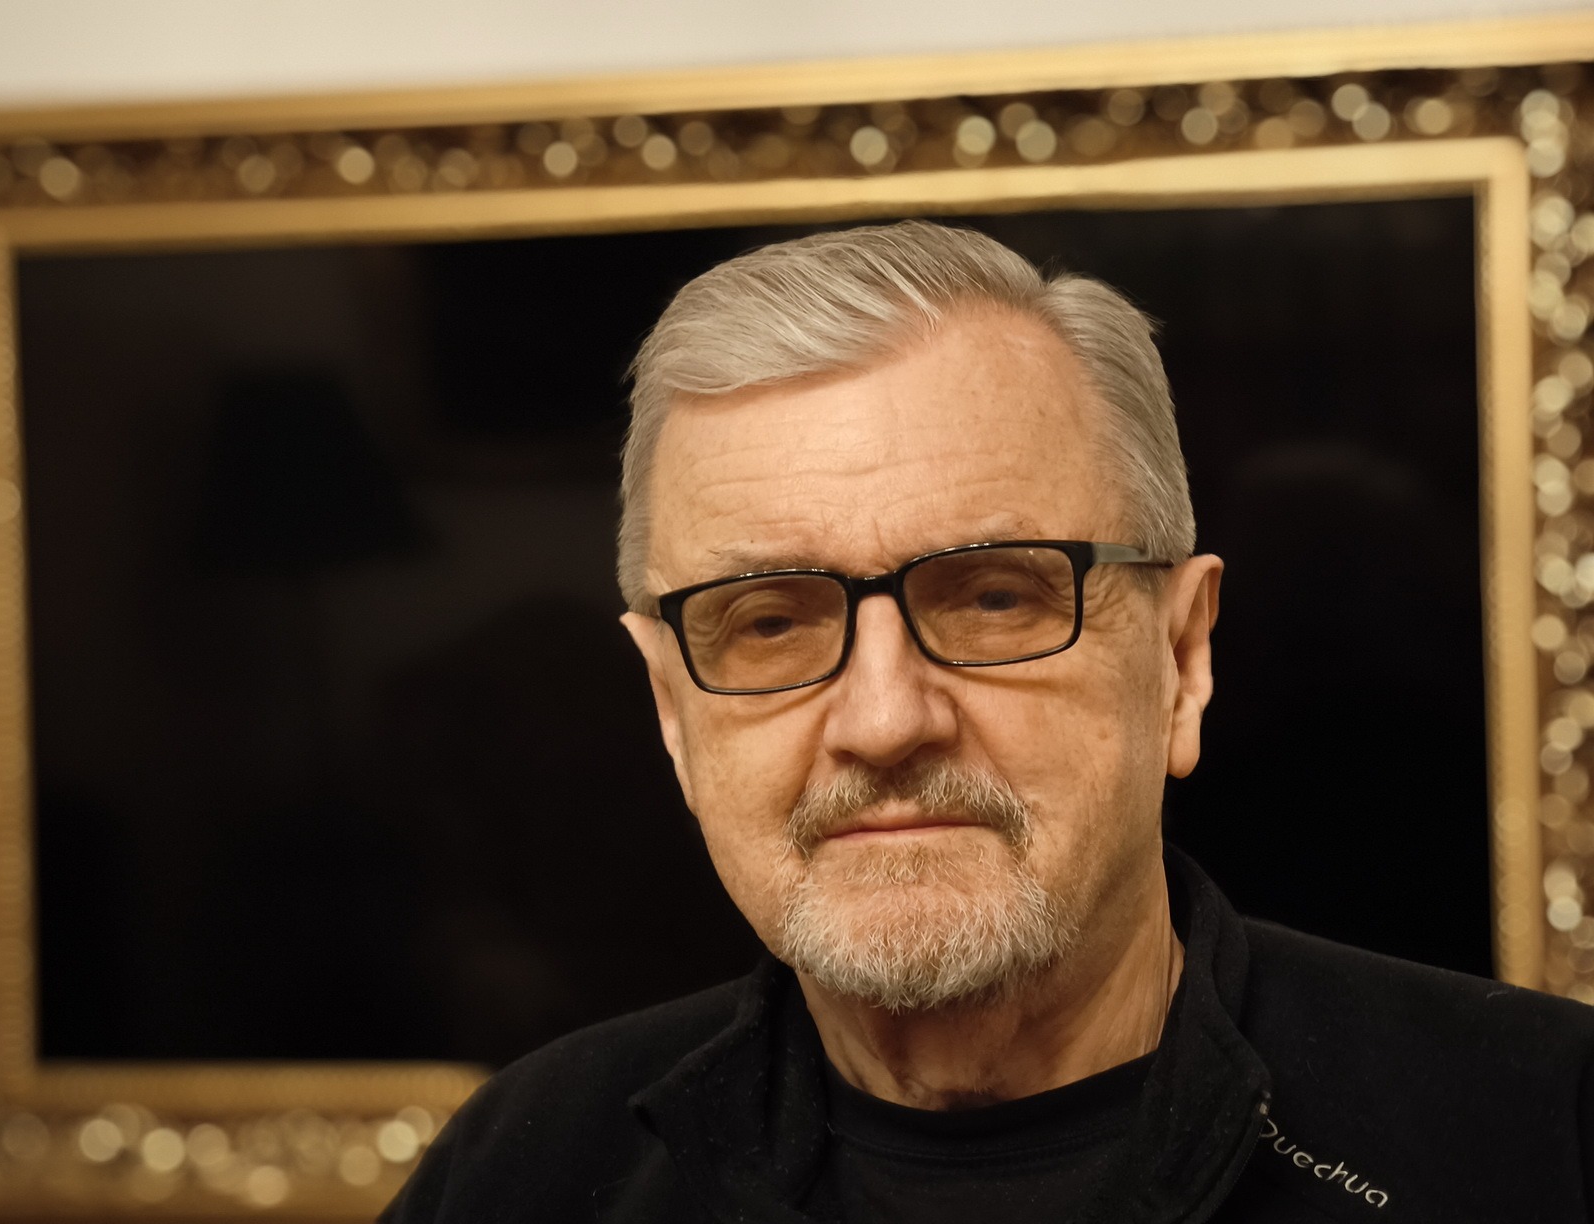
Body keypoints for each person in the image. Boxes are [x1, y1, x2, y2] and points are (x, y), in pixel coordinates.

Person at [381, 221, 1594, 1222]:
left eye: (996, 597)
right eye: (771, 622)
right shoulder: (524, 1172)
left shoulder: (1542, 1136)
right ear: (670, 709)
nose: (883, 720)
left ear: (1182, 658)